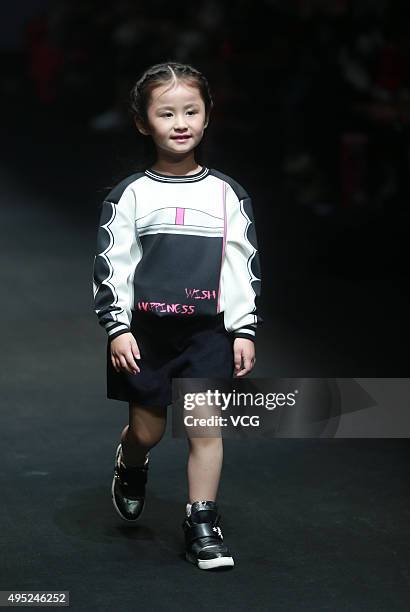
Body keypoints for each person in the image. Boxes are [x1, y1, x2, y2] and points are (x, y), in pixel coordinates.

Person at [92, 61, 263, 570]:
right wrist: (116, 327)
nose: (181, 122)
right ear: (145, 123)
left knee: (204, 427)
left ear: (208, 117)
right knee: (147, 430)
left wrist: (243, 328)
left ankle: (202, 521)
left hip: (207, 330)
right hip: (145, 335)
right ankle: (132, 461)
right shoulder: (130, 195)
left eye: (191, 111)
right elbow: (112, 265)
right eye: (167, 113)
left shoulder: (227, 195)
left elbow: (241, 265)